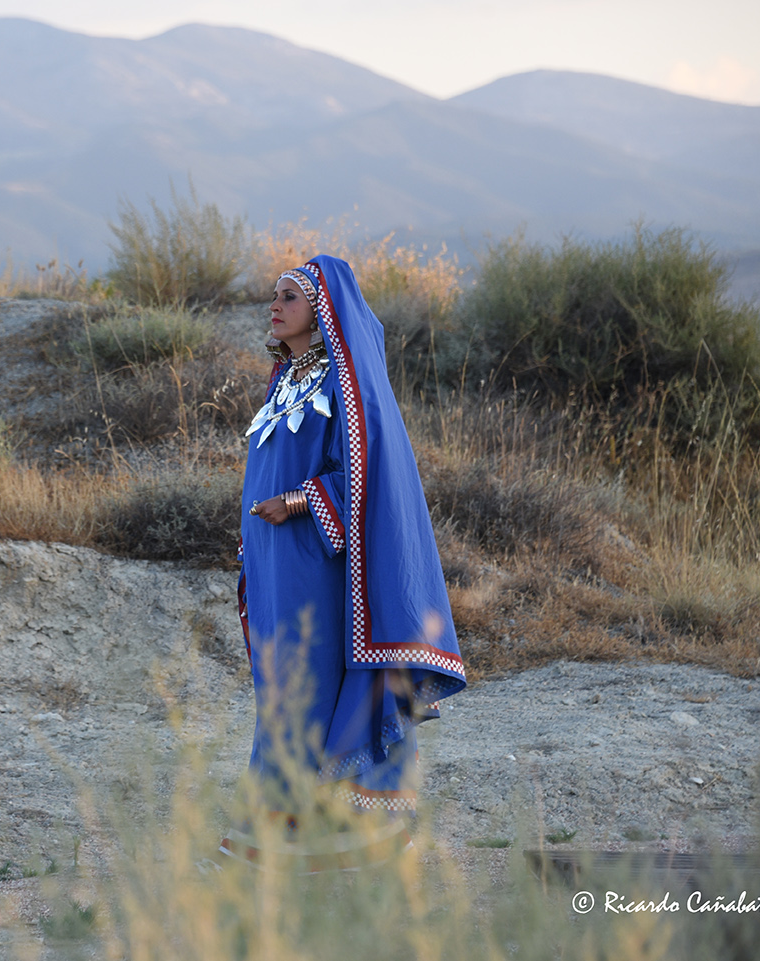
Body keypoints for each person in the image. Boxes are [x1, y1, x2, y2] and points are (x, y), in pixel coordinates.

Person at [220, 255, 466, 872]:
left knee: (308, 683)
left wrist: (297, 501)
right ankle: (286, 832)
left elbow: (365, 474)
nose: (275, 306)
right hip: (274, 562)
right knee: (279, 686)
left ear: (322, 310)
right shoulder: (284, 379)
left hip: (318, 562)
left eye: (290, 297)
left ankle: (345, 838)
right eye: (274, 295)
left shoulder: (345, 386)